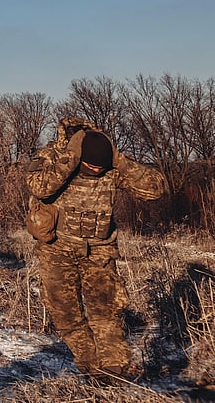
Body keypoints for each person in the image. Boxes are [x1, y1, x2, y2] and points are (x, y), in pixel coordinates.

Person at [26, 116, 165, 381]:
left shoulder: (111, 162)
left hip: (99, 250)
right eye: (91, 166)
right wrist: (69, 160)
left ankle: (114, 370)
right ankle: (89, 364)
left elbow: (155, 189)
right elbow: (39, 187)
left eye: (101, 167)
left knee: (106, 310)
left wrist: (120, 161)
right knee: (64, 312)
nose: (98, 170)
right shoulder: (53, 155)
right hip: (57, 248)